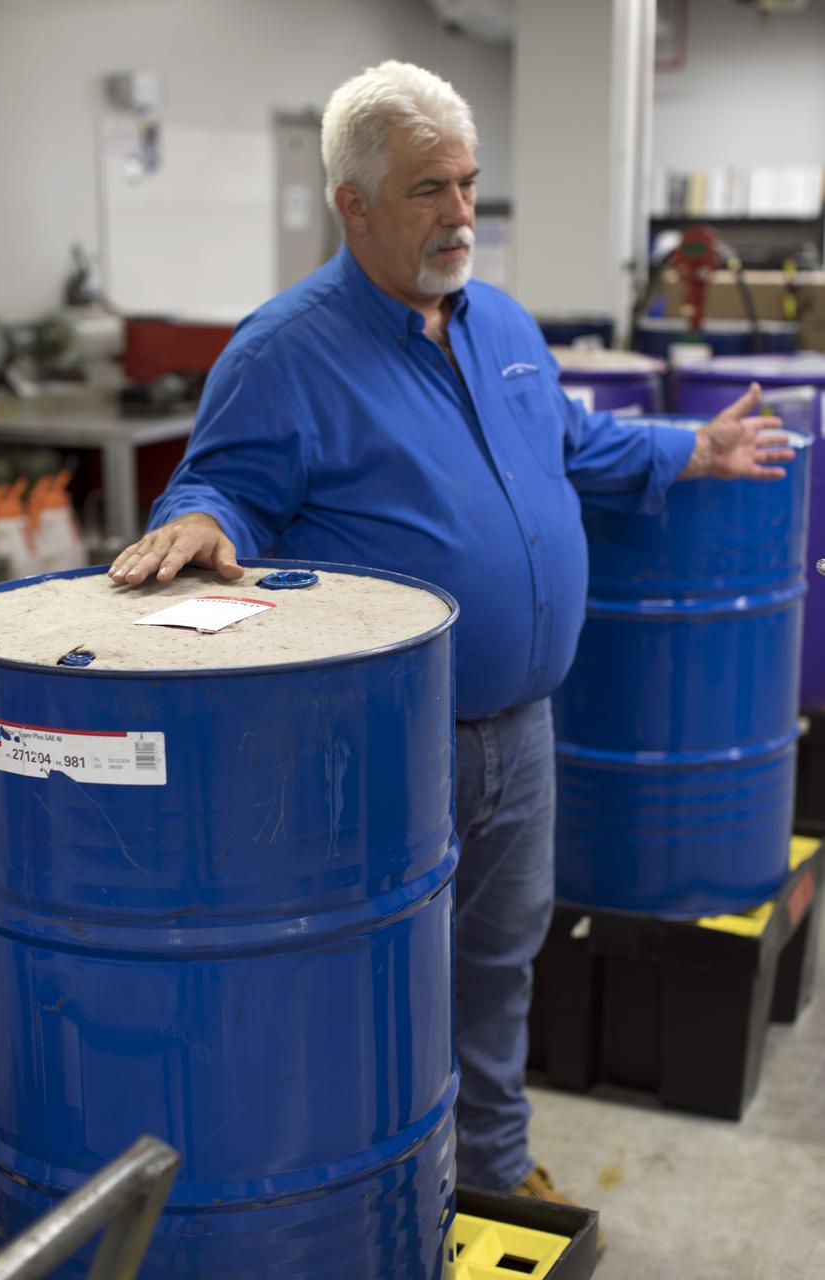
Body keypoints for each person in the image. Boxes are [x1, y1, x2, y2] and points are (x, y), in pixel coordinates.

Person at [110, 60, 792, 1224]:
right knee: (375, 981)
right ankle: (373, 1195)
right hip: (386, 742)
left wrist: (690, 448)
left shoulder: (502, 323)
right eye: (429, 189)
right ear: (352, 203)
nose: (461, 213)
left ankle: (491, 1161)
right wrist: (200, 519)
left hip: (522, 732)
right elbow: (222, 485)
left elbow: (569, 441)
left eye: (469, 183)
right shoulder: (284, 351)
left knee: (498, 960)